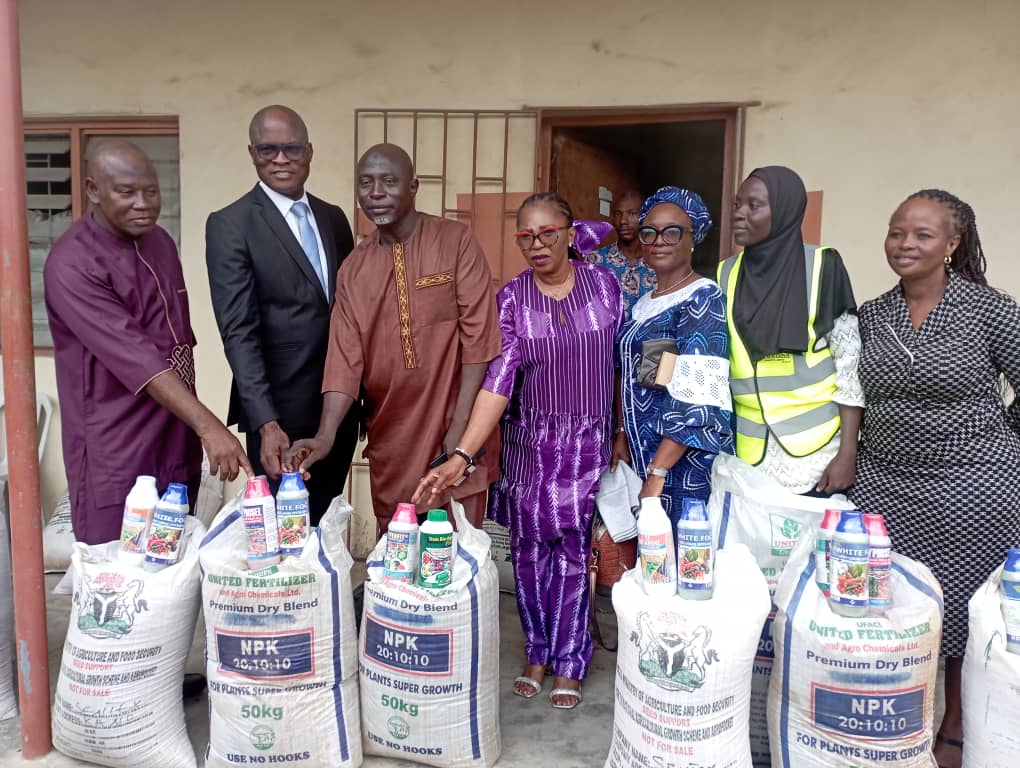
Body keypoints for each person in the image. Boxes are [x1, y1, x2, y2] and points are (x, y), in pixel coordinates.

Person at [44, 139, 251, 699]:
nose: (143, 204)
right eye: (126, 192)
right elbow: (136, 355)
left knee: (168, 555)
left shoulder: (157, 241)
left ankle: (153, 677)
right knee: (118, 567)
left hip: (171, 430)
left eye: (151, 191)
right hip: (114, 439)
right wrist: (210, 425)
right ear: (92, 191)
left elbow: (175, 336)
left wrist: (195, 425)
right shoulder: (71, 263)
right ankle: (111, 694)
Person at [413, 192, 623, 710]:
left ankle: (570, 660)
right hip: (531, 442)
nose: (537, 245)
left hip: (588, 442)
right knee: (529, 553)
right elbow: (498, 382)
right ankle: (536, 650)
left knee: (575, 552)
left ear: (569, 233)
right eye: (525, 236)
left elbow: (621, 365)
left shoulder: (606, 286)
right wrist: (462, 454)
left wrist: (620, 432)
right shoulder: (511, 299)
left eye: (548, 233)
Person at [849, 190, 1020, 768]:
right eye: (897, 232)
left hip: (971, 486)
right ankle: (898, 720)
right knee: (891, 609)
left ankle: (955, 726)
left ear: (952, 244)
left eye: (922, 235)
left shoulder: (988, 309)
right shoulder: (872, 314)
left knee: (961, 611)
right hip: (884, 483)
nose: (905, 245)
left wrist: (1002, 439)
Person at [287, 143, 500, 531]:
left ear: (414, 186)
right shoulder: (354, 269)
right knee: (398, 553)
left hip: (455, 424)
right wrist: (325, 434)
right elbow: (344, 361)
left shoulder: (455, 241)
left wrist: (461, 427)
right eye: (365, 183)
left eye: (389, 181)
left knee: (454, 555)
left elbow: (479, 338)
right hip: (392, 434)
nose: (376, 192)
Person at [206, 105, 359, 522]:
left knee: (323, 524)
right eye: (267, 149)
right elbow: (238, 331)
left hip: (336, 414)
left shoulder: (334, 219)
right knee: (283, 535)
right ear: (251, 152)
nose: (280, 159)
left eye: (291, 148)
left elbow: (346, 313)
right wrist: (266, 423)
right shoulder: (230, 224)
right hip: (280, 421)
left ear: (309, 151)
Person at [718, 166, 862, 494]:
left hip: (816, 451)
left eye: (753, 206)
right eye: (737, 204)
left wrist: (847, 454)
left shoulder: (823, 265)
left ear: (784, 210)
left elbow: (849, 367)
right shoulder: (724, 274)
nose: (739, 214)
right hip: (749, 451)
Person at [612, 186, 733, 537]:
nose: (659, 240)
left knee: (682, 558)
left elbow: (697, 396)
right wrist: (622, 432)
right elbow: (638, 374)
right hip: (644, 455)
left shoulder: (703, 298)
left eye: (672, 231)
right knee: (653, 563)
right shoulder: (644, 303)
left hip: (684, 465)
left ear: (693, 238)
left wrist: (658, 473)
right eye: (649, 232)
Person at [586, 189, 657, 313]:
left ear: (645, 217)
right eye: (618, 214)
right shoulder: (594, 261)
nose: (623, 221)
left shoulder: (659, 262)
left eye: (632, 213)